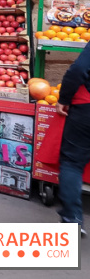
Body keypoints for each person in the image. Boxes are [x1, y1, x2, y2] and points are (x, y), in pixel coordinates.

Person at [56, 43, 90, 235]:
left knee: (72, 162)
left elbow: (78, 70)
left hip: (86, 111)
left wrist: (64, 98)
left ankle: (72, 219)